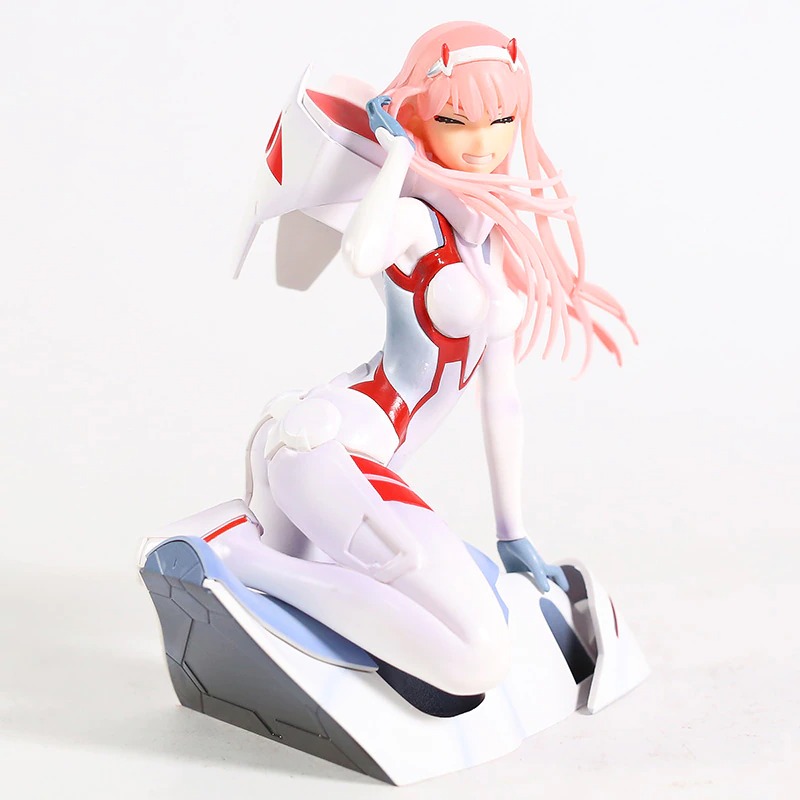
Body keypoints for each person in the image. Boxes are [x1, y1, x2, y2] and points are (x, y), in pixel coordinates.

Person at [210, 21, 634, 697]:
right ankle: (235, 558)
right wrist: (396, 159)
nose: (482, 142)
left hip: (355, 461)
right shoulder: (412, 217)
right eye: (455, 120)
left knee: (444, 639)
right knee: (474, 657)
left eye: (502, 119)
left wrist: (512, 531)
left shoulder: (487, 239)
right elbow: (360, 255)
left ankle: (255, 562)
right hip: (332, 445)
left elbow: (503, 400)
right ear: (417, 116)